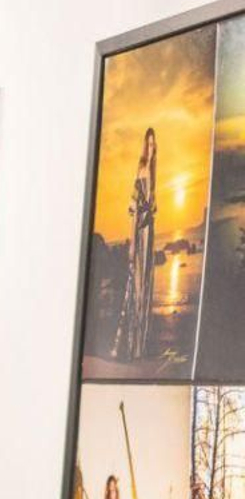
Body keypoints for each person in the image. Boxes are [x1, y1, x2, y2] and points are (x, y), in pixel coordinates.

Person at [113, 128, 158, 361]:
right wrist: (132, 242)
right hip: (139, 234)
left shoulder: (154, 173)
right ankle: (131, 347)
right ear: (144, 146)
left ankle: (141, 346)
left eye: (154, 145)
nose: (151, 149)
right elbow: (133, 210)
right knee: (137, 286)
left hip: (150, 235)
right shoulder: (141, 170)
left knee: (146, 286)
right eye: (148, 144)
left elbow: (153, 209)